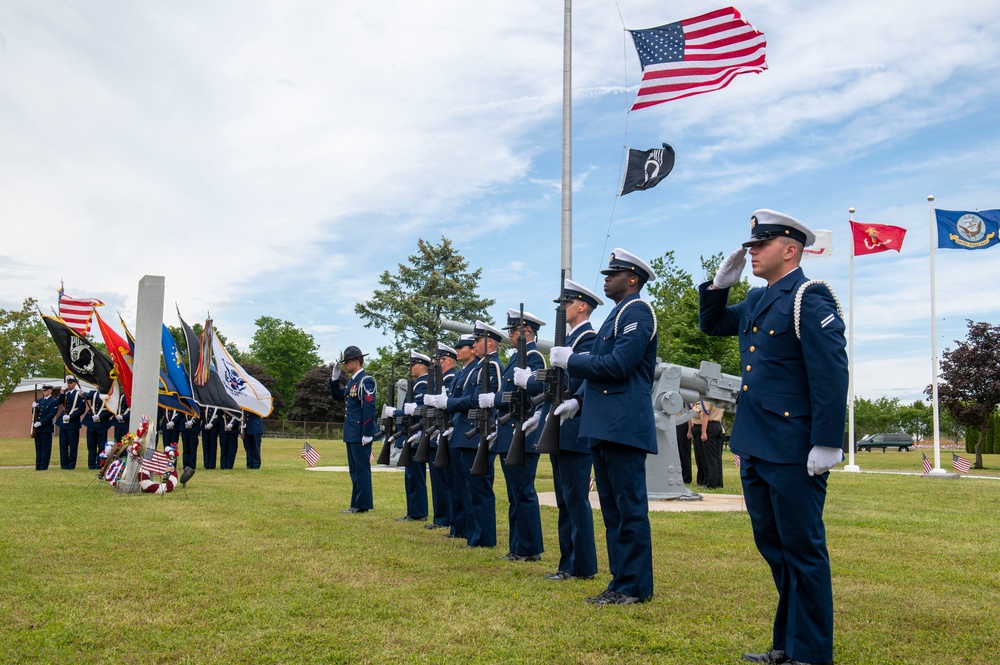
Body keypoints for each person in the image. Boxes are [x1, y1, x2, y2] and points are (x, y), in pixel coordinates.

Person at [699, 209, 848, 665]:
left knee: (802, 549)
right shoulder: (760, 301)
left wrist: (828, 441)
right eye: (750, 244)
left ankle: (811, 652)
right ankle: (787, 644)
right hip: (757, 443)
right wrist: (717, 287)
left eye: (760, 244)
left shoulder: (809, 298)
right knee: (776, 549)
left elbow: (831, 372)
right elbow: (714, 324)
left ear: (790, 249)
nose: (751, 252)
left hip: (793, 446)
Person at [549, 248, 658, 605]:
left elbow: (618, 365)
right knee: (612, 510)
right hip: (604, 422)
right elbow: (602, 368)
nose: (606, 278)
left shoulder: (638, 311)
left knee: (629, 509)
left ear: (633, 279)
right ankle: (619, 581)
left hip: (623, 423)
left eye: (614, 274)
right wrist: (578, 401)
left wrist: (573, 360)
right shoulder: (617, 316)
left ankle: (635, 586)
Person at [540, 279, 601, 581]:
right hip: (560, 429)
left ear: (582, 306)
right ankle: (568, 563)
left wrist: (574, 400)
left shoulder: (587, 340)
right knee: (565, 499)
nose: (562, 309)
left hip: (575, 430)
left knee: (576, 500)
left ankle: (582, 566)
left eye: (566, 303)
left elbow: (585, 383)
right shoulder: (568, 343)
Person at [426, 322, 502, 548]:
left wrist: (448, 403)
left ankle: (482, 536)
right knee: (463, 486)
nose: (472, 346)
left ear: (487, 343)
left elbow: (478, 399)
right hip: (463, 431)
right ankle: (466, 530)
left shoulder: (489, 367)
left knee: (478, 488)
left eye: (475, 342)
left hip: (476, 432)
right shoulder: (474, 369)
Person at [483, 308, 547, 562]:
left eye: (513, 330)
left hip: (524, 432)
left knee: (523, 492)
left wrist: (496, 398)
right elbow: (511, 395)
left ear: (527, 331)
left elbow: (538, 390)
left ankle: (529, 548)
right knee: (514, 494)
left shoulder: (534, 358)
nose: (509, 334)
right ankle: (517, 546)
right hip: (509, 431)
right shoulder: (515, 358)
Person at [429, 334, 476, 540]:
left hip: (466, 430)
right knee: (457, 483)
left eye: (462, 347)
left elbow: (464, 401)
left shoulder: (468, 371)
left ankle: (463, 527)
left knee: (465, 485)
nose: (459, 351)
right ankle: (458, 526)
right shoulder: (462, 373)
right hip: (456, 429)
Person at [329, 345, 377, 513]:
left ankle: (362, 504)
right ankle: (356, 503)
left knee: (362, 469)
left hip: (360, 432)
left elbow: (369, 408)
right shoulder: (352, 382)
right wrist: (334, 379)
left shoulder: (366, 380)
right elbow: (337, 396)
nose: (344, 366)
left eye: (347, 362)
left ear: (356, 361)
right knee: (354, 469)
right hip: (351, 432)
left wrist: (367, 433)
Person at [390, 351, 431, 522]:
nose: (410, 368)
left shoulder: (422, 383)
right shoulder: (418, 383)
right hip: (412, 432)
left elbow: (417, 409)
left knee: (415, 475)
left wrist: (396, 412)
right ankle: (414, 510)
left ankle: (417, 512)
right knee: (411, 474)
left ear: (422, 366)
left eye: (413, 364)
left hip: (416, 433)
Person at [425, 342, 458, 531]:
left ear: (447, 361)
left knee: (444, 479)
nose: (436, 363)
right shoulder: (442, 379)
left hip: (446, 431)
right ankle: (441, 516)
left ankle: (445, 517)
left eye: (438, 359)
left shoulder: (450, 378)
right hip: (438, 431)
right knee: (438, 479)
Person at [690, 399, 725, 489]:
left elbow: (705, 413)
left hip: (709, 426)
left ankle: (711, 484)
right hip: (717, 425)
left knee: (709, 458)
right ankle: (718, 482)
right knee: (717, 457)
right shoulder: (720, 399)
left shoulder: (706, 399)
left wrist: (704, 432)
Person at [56, 376, 86, 469]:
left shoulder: (79, 394)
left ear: (75, 383)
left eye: (70, 383)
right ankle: (64, 464)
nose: (69, 384)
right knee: (63, 444)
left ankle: (71, 465)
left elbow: (81, 409)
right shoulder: (65, 394)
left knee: (73, 445)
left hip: (73, 423)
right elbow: (58, 402)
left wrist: (70, 416)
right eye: (68, 383)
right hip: (63, 423)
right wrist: (61, 391)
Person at [32, 384, 58, 470]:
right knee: (38, 448)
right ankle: (38, 466)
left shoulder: (53, 401)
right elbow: (35, 414)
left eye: (46, 390)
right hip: (38, 429)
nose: (44, 392)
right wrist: (33, 408)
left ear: (50, 390)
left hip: (46, 428)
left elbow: (51, 415)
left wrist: (41, 422)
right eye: (43, 391)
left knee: (45, 449)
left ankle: (43, 466)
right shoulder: (39, 401)